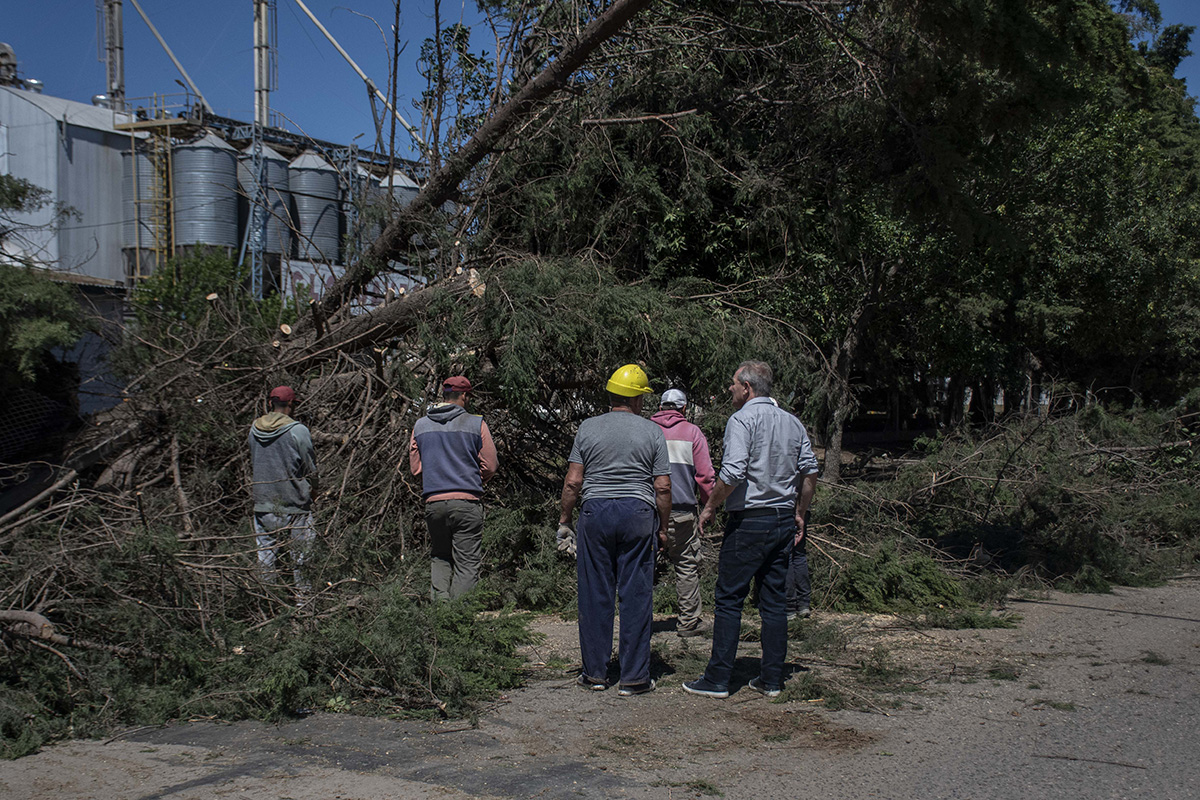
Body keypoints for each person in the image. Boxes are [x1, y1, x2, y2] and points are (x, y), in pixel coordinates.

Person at [683, 361, 819, 699]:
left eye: (732, 384)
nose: (729, 389)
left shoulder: (741, 419)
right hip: (782, 519)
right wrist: (800, 512)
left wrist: (711, 505)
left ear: (747, 387)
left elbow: (732, 472)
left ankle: (717, 679)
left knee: (729, 598)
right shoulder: (792, 422)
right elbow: (810, 472)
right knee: (774, 601)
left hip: (749, 520)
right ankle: (771, 679)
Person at [558, 364, 671, 696]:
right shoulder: (652, 432)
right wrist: (662, 528)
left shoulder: (588, 429)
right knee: (636, 594)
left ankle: (595, 673)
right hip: (637, 513)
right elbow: (662, 488)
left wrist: (565, 521)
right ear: (637, 399)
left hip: (596, 513)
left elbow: (573, 482)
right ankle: (634, 677)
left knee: (595, 593)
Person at [410, 376, 498, 601]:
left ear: (444, 395)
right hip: (466, 501)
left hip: (434, 502)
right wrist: (473, 481)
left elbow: (416, 469)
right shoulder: (476, 423)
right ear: (465, 396)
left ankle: (440, 613)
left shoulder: (420, 425)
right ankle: (458, 619)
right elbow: (491, 465)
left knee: (440, 557)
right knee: (467, 563)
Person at [650, 388, 716, 637]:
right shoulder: (692, 433)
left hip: (648, 510)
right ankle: (689, 622)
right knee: (686, 563)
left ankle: (638, 620)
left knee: (643, 564)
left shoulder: (647, 430)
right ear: (684, 409)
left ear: (660, 406)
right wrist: (709, 506)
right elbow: (706, 476)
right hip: (682, 510)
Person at [249, 385, 319, 602]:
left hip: (263, 504)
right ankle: (304, 608)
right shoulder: (297, 430)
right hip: (294, 504)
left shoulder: (254, 429)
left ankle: (269, 607)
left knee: (266, 561)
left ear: (271, 403)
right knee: (302, 560)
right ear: (290, 404)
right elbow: (310, 467)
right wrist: (313, 489)